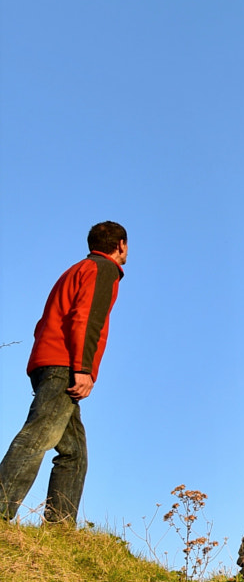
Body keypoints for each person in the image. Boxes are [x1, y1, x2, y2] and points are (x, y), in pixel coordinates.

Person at [0, 221, 128, 525]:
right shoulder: (103, 269)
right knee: (37, 436)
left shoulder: (75, 270)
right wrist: (83, 369)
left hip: (47, 360)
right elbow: (85, 319)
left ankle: (60, 526)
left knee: (73, 453)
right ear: (121, 244)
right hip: (65, 364)